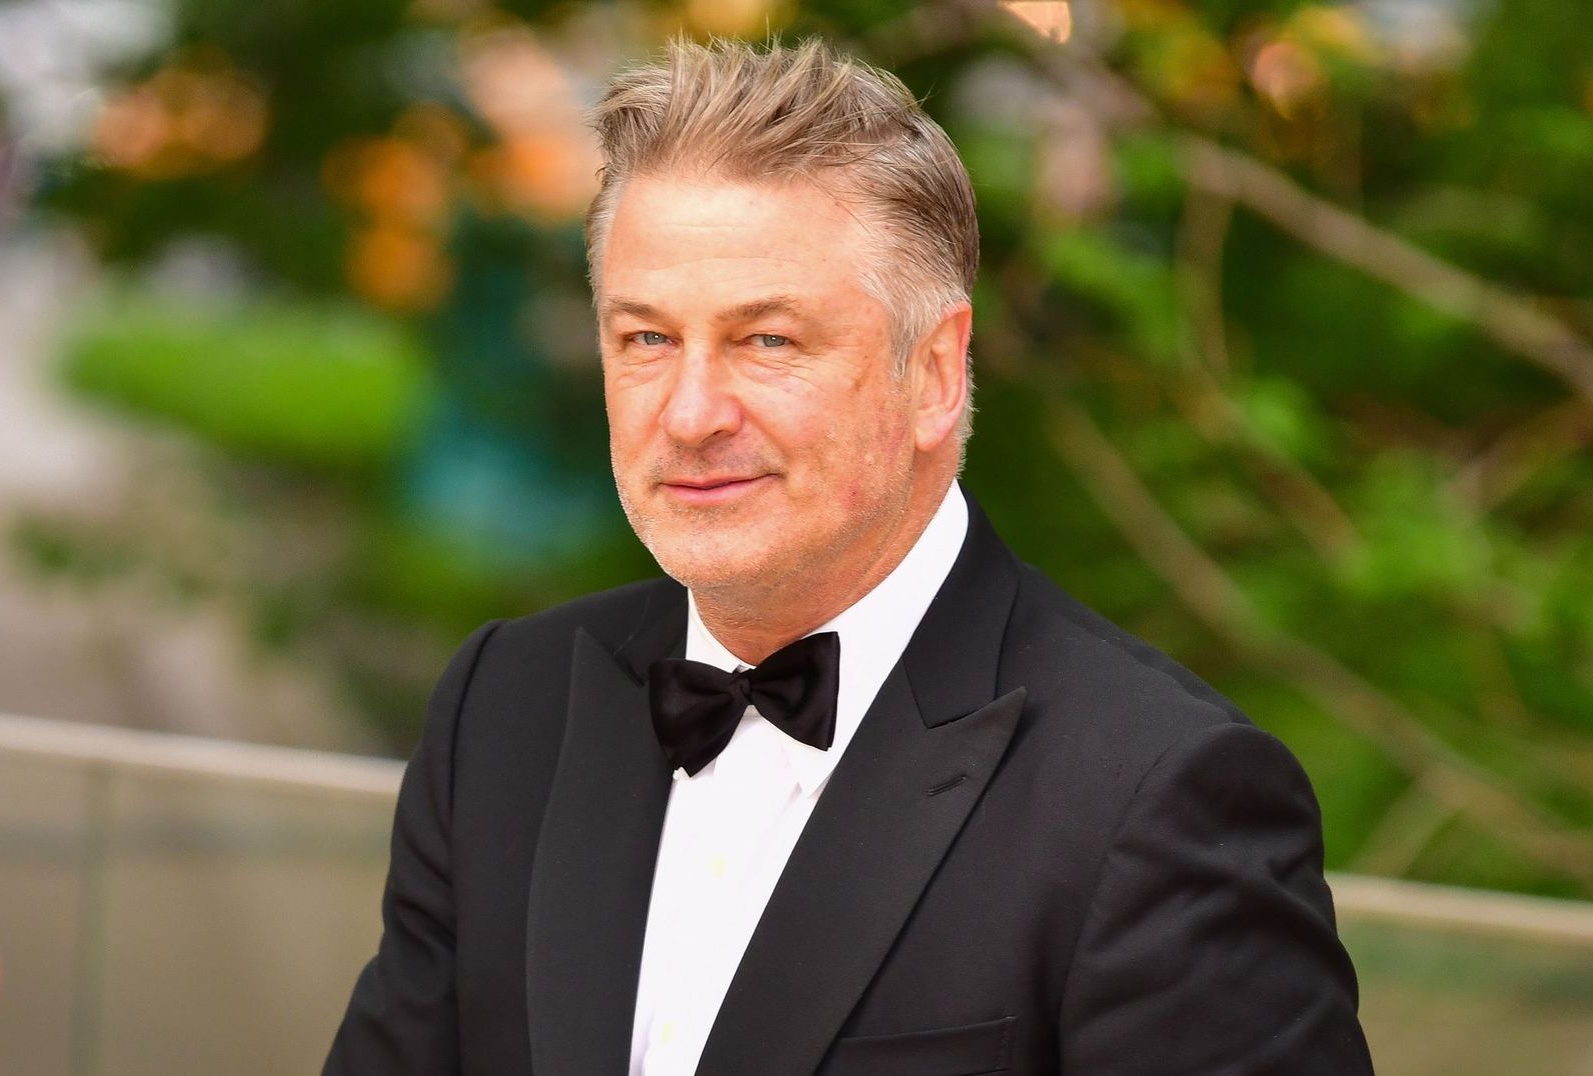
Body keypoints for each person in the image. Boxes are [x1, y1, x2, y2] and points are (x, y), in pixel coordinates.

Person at [326, 37, 1374, 1075]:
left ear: (934, 373)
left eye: (766, 340)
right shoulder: (505, 704)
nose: (689, 414)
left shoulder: (1155, 793)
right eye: (646, 339)